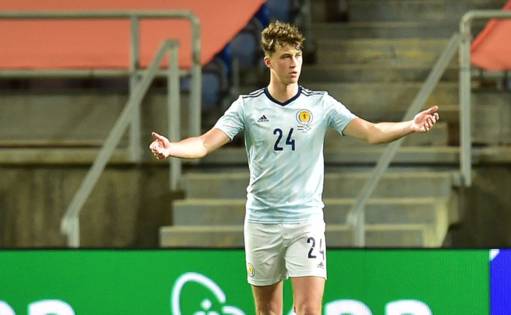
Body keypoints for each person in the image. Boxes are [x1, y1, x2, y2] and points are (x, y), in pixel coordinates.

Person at [150, 21, 439, 315]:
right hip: (261, 222)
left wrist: (410, 125)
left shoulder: (321, 104)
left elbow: (371, 131)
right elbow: (204, 144)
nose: (294, 63)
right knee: (268, 312)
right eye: (286, 57)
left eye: (297, 55)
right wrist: (172, 148)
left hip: (305, 221)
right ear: (269, 61)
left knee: (309, 310)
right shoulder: (246, 107)